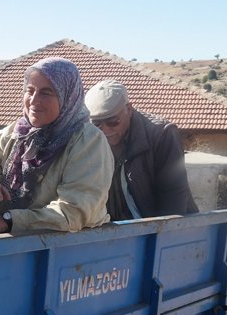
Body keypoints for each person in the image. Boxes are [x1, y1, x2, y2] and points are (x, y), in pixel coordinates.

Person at [0, 57, 113, 236]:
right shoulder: (11, 136)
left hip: (67, 252)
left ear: (67, 96)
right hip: (5, 250)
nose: (34, 100)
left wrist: (8, 220)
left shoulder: (88, 141)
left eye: (46, 93)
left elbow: (75, 211)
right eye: (30, 90)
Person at [84, 79, 198, 220]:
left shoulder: (161, 135)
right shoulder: (88, 138)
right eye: (97, 124)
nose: (106, 130)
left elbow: (173, 195)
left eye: (112, 121)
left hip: (160, 229)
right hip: (116, 232)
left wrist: (160, 238)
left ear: (129, 109)